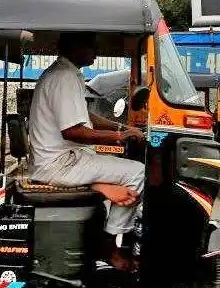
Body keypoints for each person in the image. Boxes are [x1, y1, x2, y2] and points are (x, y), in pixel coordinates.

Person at [28, 32, 147, 272]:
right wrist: (118, 137)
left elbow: (84, 117)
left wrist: (121, 127)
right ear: (75, 47)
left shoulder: (65, 73)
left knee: (119, 169)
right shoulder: (64, 77)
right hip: (60, 164)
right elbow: (72, 131)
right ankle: (109, 245)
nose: (96, 51)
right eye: (92, 46)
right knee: (138, 173)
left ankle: (107, 226)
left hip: (61, 160)